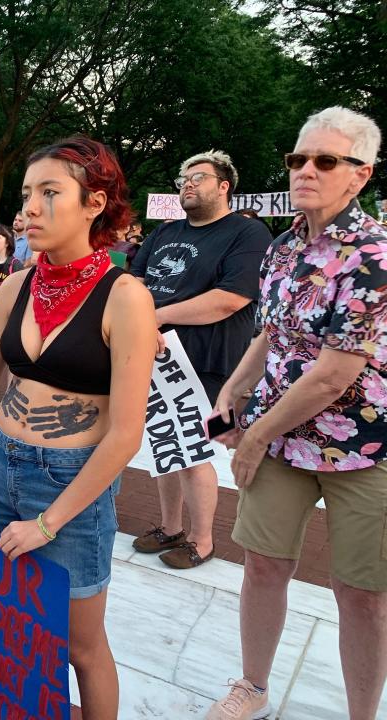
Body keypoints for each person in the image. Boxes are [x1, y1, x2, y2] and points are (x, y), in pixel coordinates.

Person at [0, 136, 155, 718]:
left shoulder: (126, 298)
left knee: (80, 647)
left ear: (94, 203)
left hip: (72, 485)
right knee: (4, 625)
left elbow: (126, 434)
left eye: (50, 193)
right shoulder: (16, 286)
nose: (30, 209)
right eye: (27, 195)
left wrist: (49, 522)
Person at [206, 107, 387, 720]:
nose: (305, 170)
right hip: (282, 441)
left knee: (362, 595)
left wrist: (254, 435)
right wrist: (230, 390)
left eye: (325, 160)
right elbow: (269, 335)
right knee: (262, 566)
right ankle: (251, 688)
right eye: (298, 159)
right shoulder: (283, 246)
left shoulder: (374, 254)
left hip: (362, 446)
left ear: (360, 175)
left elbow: (337, 373)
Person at [129, 150, 272, 569]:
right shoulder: (163, 233)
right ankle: (171, 526)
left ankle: (202, 539)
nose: (187, 184)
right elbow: (135, 281)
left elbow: (230, 299)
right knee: (164, 444)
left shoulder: (247, 234)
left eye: (199, 177)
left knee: (193, 450)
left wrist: (155, 316)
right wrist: (138, 317)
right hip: (153, 354)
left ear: (224, 186)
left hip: (209, 362)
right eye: (183, 178)